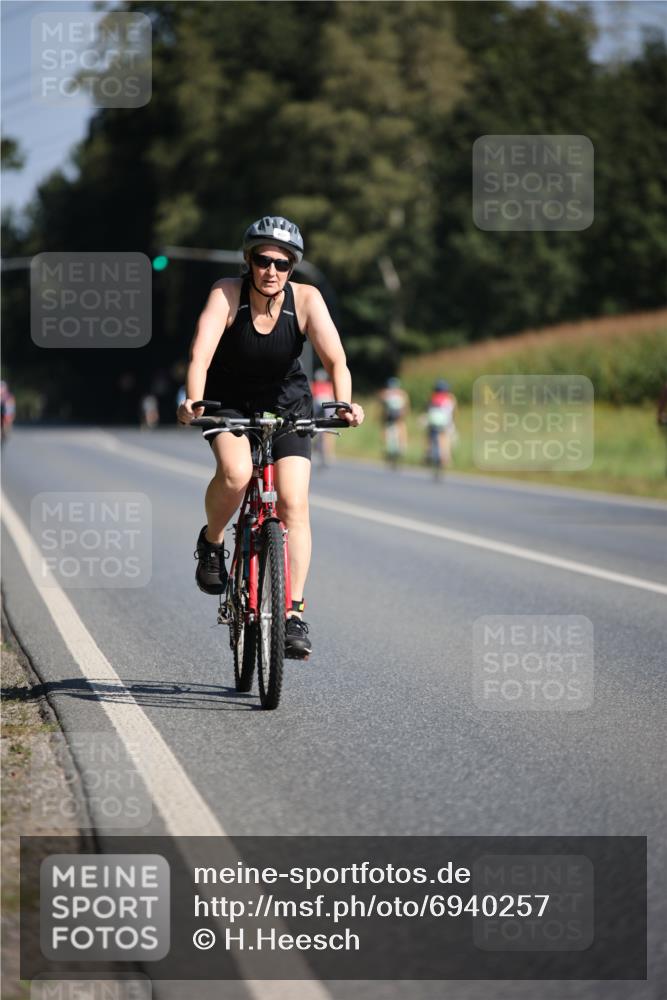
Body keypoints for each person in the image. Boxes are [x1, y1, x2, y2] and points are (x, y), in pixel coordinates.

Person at [177, 216, 364, 658]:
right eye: (262, 260)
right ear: (249, 260)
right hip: (228, 402)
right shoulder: (226, 293)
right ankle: (213, 542)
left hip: (288, 405)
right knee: (237, 473)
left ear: (292, 267)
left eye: (282, 263)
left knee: (293, 501)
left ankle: (293, 614)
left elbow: (336, 359)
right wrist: (192, 401)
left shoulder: (308, 299)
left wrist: (345, 403)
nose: (271, 271)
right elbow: (200, 354)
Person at [424, 379, 457, 473]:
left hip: (433, 423)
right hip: (445, 423)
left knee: (429, 436)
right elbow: (453, 412)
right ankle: (447, 458)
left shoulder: (431, 398)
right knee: (445, 438)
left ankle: (427, 453)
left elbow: (427, 410)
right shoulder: (450, 398)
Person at [378, 376, 409, 467]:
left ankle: (386, 448)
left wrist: (380, 417)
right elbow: (406, 407)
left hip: (388, 417)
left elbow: (381, 407)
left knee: (385, 430)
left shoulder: (385, 394)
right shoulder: (402, 394)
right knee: (401, 427)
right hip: (399, 417)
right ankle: (402, 447)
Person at [310, 367, 336, 466]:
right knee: (328, 432)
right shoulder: (329, 386)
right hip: (327, 409)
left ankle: (321, 449)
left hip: (319, 409)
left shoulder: (314, 386)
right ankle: (329, 453)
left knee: (315, 429)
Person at [0, 380, 16, 444]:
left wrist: (9, 418)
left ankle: (4, 434)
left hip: (5, 414)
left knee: (6, 427)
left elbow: (10, 409)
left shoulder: (8, 397)